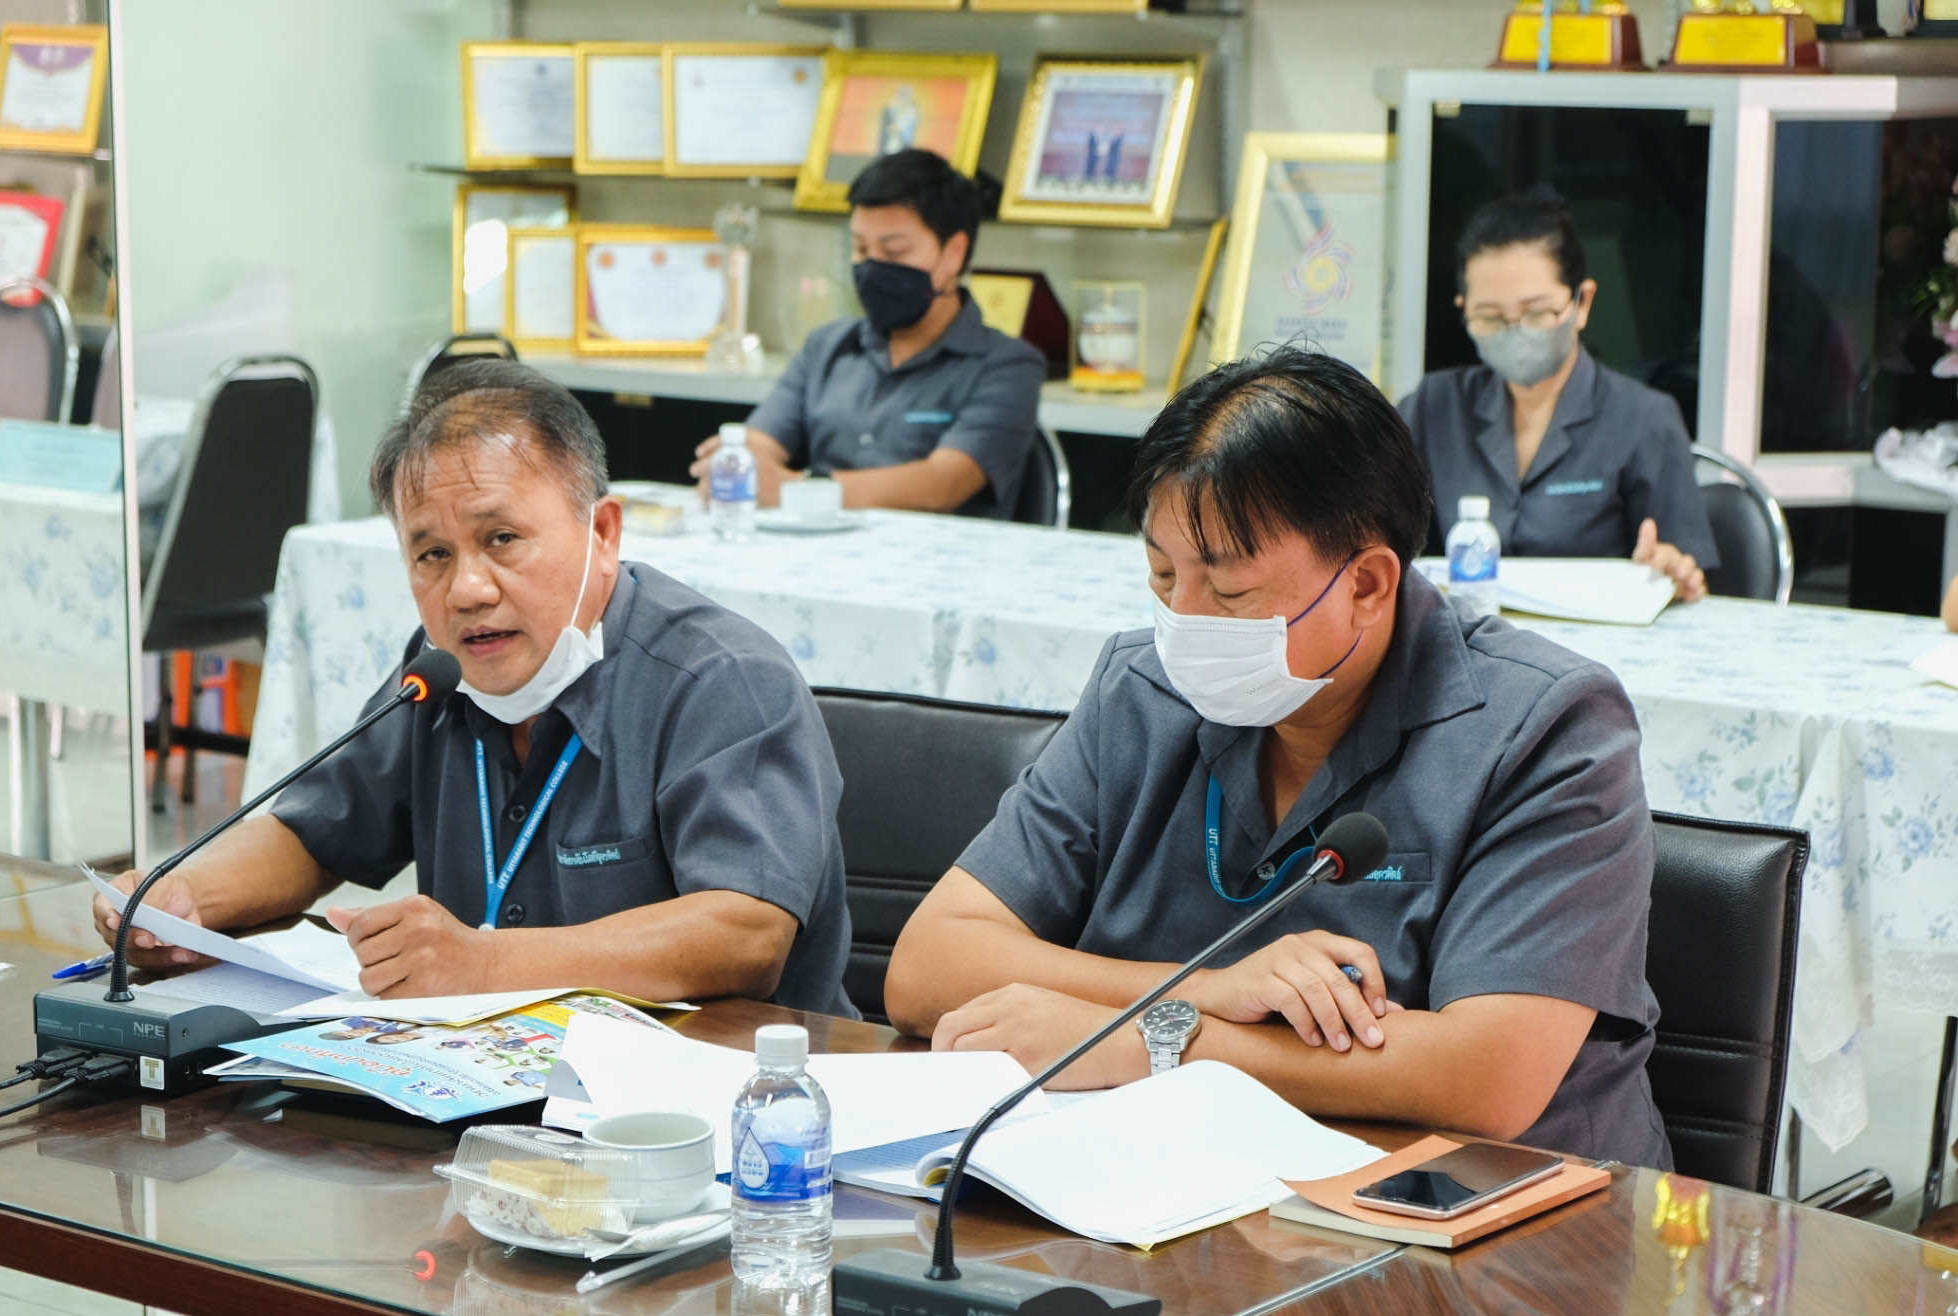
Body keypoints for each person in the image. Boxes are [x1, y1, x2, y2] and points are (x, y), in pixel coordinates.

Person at [884, 346, 1671, 1168]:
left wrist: (1155, 1042)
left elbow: (1487, 1076)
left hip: (1488, 1222)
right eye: (1161, 576)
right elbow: (929, 962)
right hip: (1184, 1183)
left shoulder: (1547, 724)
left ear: (1367, 583)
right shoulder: (1142, 689)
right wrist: (1206, 992)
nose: (1184, 620)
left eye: (1227, 592)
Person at [92, 360, 854, 1017]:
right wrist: (185, 897)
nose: (468, 590)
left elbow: (745, 932)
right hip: (494, 1097)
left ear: (604, 532)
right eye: (430, 554)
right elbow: (313, 831)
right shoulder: (440, 675)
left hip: (729, 1113)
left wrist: (485, 964)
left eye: (501, 539)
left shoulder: (721, 679)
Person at [689, 149, 1046, 520]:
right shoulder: (826, 347)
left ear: (953, 254)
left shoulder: (1009, 366)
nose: (871, 266)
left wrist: (796, 488)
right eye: (860, 248)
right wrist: (734, 463)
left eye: (893, 251)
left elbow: (944, 483)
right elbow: (760, 442)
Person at [1400, 190, 1717, 603]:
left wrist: (1671, 572)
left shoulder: (1644, 418)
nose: (1515, 332)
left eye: (1536, 314)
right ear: (1464, 309)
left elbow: (1693, 587)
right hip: (1468, 649)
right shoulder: (1433, 407)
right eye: (1491, 317)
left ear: (1581, 302)